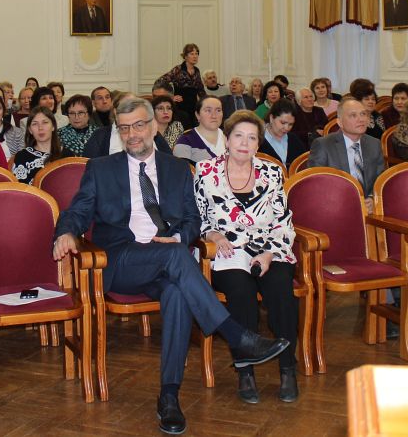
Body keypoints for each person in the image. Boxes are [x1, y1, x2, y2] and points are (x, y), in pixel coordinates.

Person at [52, 97, 290, 435]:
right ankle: (236, 336)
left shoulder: (176, 168)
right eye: (124, 128)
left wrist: (178, 236)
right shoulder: (101, 168)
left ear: (153, 127)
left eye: (138, 125)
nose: (132, 134)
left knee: (178, 292)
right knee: (177, 255)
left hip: (165, 263)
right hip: (121, 260)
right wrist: (65, 232)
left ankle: (169, 397)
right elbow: (78, 210)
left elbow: (192, 220)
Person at [195, 110, 300, 403]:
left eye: (252, 138)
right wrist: (213, 235)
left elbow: (283, 220)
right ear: (227, 140)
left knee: (280, 287)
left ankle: (288, 368)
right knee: (240, 290)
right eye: (238, 136)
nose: (244, 143)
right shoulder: (206, 171)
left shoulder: (272, 172)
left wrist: (269, 253)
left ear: (258, 143)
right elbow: (199, 217)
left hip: (269, 248)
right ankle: (245, 370)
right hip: (228, 251)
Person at [309, 98, 384, 208]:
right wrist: (348, 204)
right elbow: (316, 184)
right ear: (340, 122)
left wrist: (373, 199)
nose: (361, 119)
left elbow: (380, 179)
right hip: (336, 206)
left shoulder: (374, 144)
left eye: (363, 114)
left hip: (369, 208)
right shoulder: (323, 145)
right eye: (353, 115)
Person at [84, 93, 172, 158]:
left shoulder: (152, 131)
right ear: (115, 111)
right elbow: (90, 164)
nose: (131, 111)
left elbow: (168, 161)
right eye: (125, 107)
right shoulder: (100, 135)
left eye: (135, 106)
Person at [12, 107, 65, 184]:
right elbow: (19, 189)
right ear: (30, 130)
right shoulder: (22, 157)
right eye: (35, 124)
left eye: (45, 122)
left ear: (53, 126)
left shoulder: (67, 155)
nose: (40, 128)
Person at [160, 43, 206, 126]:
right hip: (180, 108)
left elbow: (201, 91)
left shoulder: (197, 71)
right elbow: (160, 82)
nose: (195, 56)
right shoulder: (178, 69)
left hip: (193, 108)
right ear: (185, 56)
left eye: (196, 54)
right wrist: (170, 96)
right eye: (192, 54)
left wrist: (207, 102)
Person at [173, 96, 226, 164]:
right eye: (208, 111)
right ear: (197, 115)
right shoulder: (186, 140)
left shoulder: (231, 137)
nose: (214, 116)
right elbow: (181, 169)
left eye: (218, 110)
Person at [259, 99, 306, 168]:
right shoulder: (258, 140)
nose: (287, 128)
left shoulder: (293, 139)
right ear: (271, 118)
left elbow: (304, 163)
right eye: (283, 123)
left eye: (290, 124)